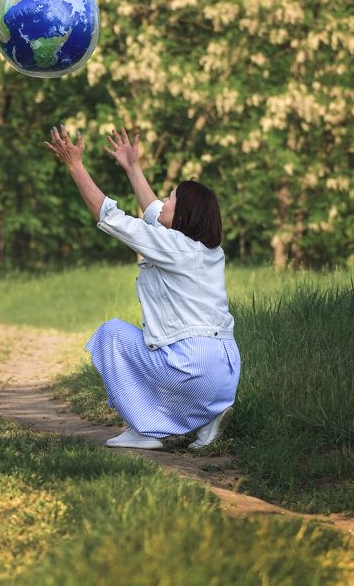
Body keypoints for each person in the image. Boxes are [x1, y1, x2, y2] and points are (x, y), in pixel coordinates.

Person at [44, 125, 240, 449]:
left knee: (111, 335)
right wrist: (133, 168)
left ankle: (146, 429)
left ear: (184, 215)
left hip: (192, 366)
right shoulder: (208, 251)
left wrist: (75, 165)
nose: (162, 201)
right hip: (225, 372)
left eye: (170, 198)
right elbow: (154, 214)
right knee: (162, 356)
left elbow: (109, 217)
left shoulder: (172, 246)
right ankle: (208, 416)